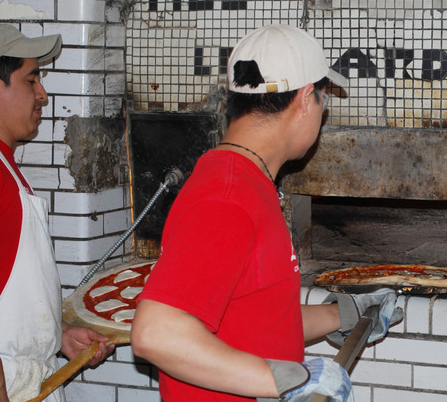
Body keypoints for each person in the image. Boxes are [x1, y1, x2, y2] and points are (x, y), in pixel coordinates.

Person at [131, 24, 403, 401]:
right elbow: (156, 333)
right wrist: (284, 379)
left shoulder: (244, 180)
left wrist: (346, 313)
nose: (322, 115)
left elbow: (255, 318)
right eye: (324, 100)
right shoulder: (227, 197)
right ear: (306, 99)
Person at [0, 20, 114, 402]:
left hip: (14, 376)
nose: (42, 95)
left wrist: (58, 335)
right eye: (32, 80)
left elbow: (4, 280)